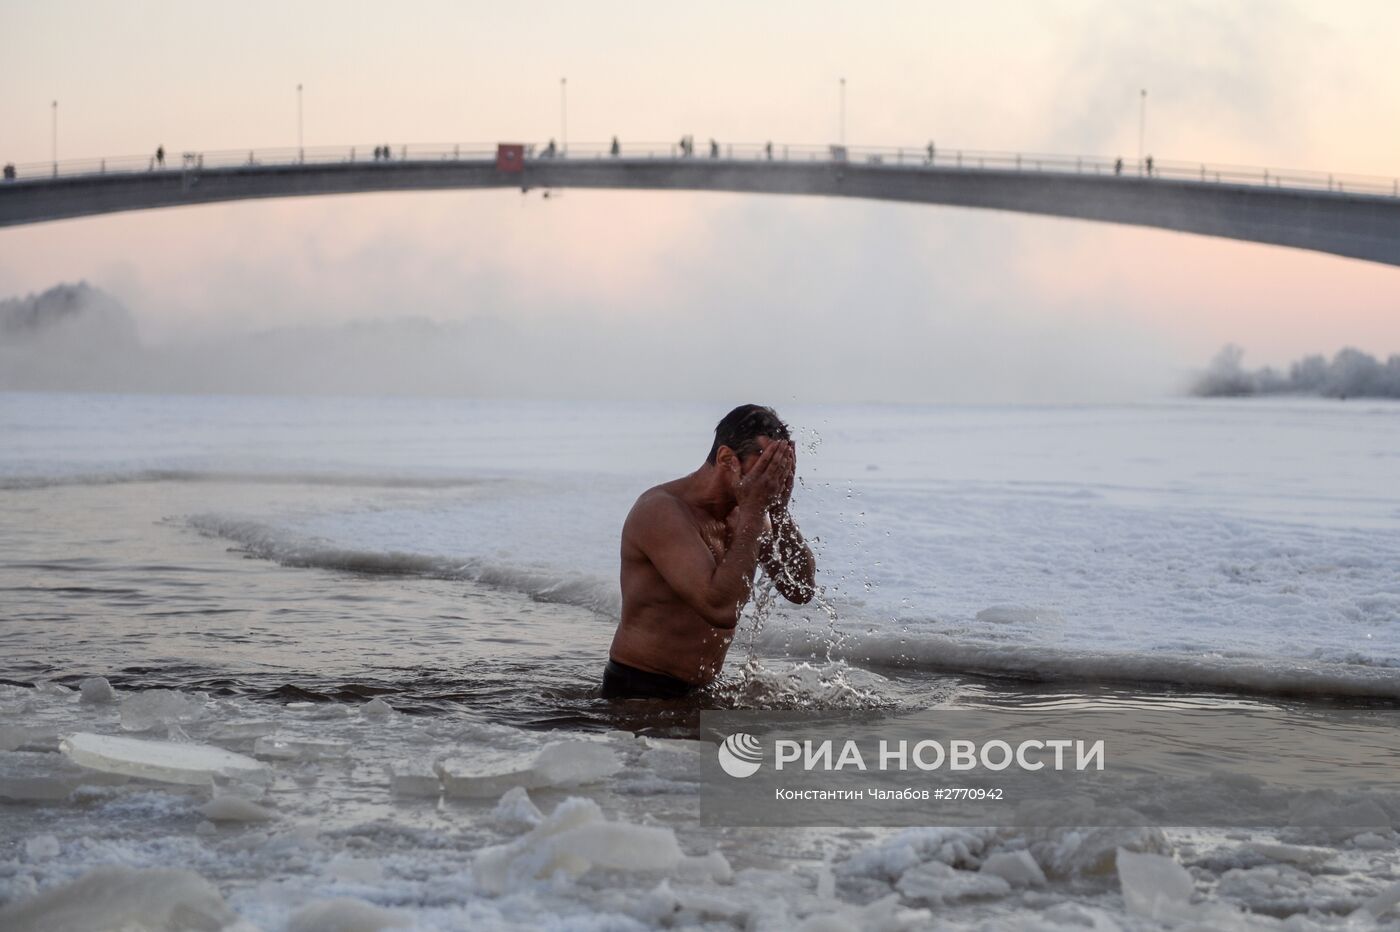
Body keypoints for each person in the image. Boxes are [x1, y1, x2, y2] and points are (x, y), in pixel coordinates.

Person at [603, 405, 817, 699]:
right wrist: (755, 511)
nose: (772, 479)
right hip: (639, 690)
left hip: (700, 690)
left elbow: (800, 589)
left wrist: (779, 511)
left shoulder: (748, 516)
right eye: (765, 466)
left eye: (779, 468)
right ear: (727, 459)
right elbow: (721, 609)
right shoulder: (661, 512)